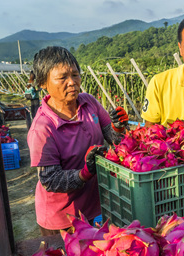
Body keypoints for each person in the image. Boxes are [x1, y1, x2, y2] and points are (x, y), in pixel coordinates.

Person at [27, 46, 128, 235]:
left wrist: (119, 126)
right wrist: (84, 173)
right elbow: (50, 180)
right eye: (62, 77)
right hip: (62, 219)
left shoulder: (89, 103)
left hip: (93, 205)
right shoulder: (42, 128)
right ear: (43, 83)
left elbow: (114, 139)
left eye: (75, 74)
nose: (72, 82)